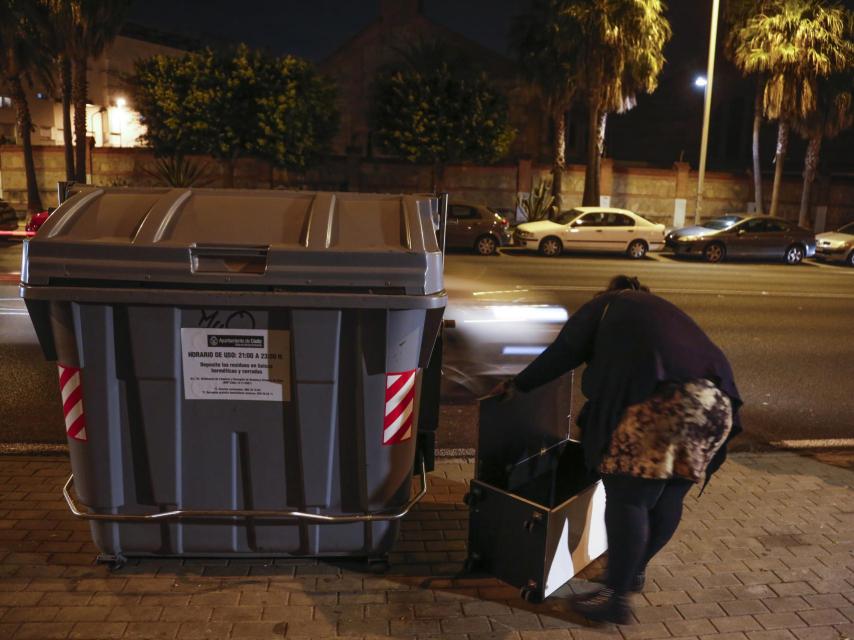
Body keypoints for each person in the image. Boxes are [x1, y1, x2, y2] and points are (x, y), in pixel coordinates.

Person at [495, 275, 742, 624]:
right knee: (670, 495)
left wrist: (519, 384)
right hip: (716, 405)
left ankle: (615, 597)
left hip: (667, 403)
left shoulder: (605, 306)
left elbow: (564, 352)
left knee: (629, 498)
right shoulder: (657, 314)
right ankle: (633, 571)